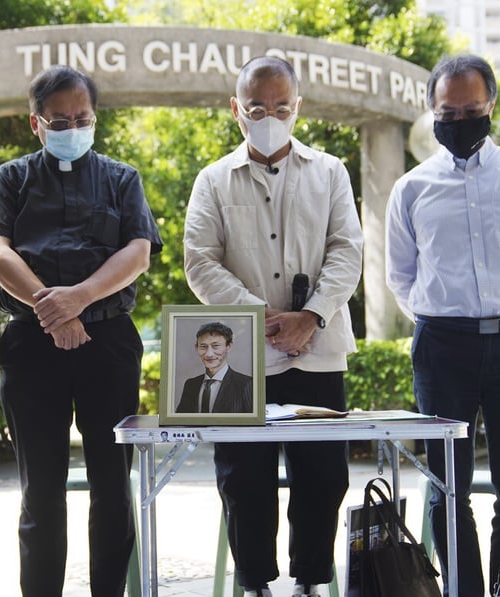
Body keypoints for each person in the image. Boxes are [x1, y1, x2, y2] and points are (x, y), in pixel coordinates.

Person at [385, 54, 500, 596]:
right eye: (449, 111)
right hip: (443, 347)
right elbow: (401, 275)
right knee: (447, 487)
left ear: (491, 105)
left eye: (471, 109)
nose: (460, 120)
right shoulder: (411, 189)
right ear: (432, 111)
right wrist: (447, 319)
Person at [0, 65, 162, 597]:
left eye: (82, 118)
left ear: (95, 118)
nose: (72, 127)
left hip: (107, 341)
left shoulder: (122, 178)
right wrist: (50, 307)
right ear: (37, 124)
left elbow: (138, 252)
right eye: (60, 120)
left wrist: (78, 299)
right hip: (31, 341)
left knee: (112, 485)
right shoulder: (11, 179)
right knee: (41, 488)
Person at [183, 56, 364, 597]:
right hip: (243, 355)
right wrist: (256, 316)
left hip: (319, 348)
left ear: (298, 108)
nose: (270, 116)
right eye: (258, 107)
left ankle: (310, 581)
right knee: (243, 478)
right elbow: (199, 259)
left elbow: (347, 251)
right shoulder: (213, 180)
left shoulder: (330, 171)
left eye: (281, 107)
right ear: (236, 108)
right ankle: (256, 584)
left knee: (323, 476)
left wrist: (310, 315)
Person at [177, 321, 254, 413]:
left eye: (216, 346)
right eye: (203, 346)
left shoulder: (246, 384)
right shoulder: (191, 385)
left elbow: (254, 424)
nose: (209, 354)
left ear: (229, 346)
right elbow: (180, 421)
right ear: (196, 348)